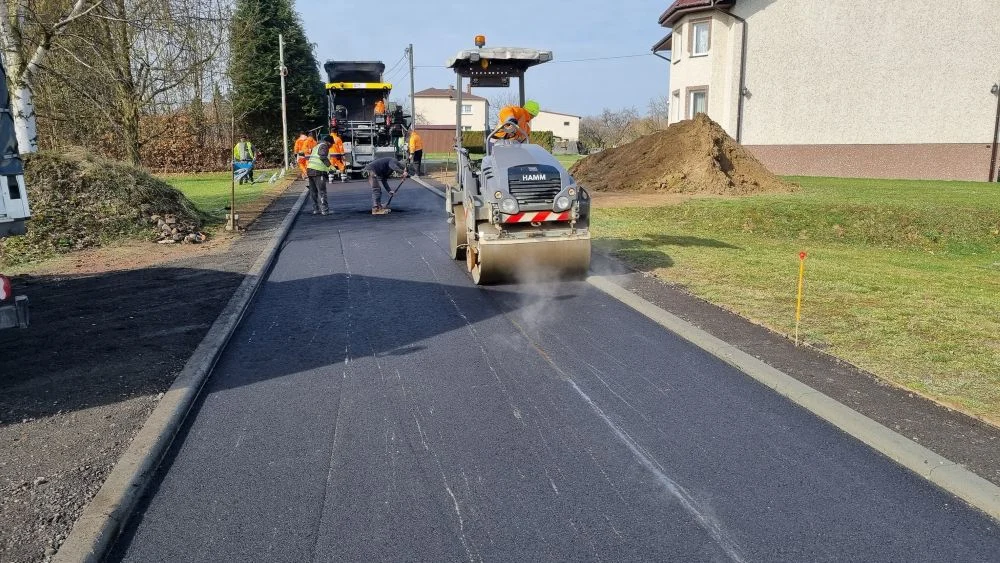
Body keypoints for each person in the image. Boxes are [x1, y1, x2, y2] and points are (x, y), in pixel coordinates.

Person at [305, 135, 334, 215]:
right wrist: (330, 166)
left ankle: (315, 209)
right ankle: (325, 210)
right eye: (331, 144)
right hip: (318, 171)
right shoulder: (324, 146)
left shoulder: (316, 147)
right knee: (322, 191)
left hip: (310, 171)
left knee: (313, 191)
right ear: (328, 142)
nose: (331, 146)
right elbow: (322, 157)